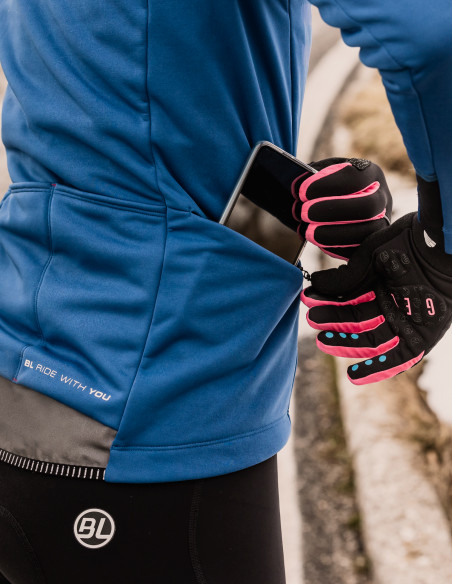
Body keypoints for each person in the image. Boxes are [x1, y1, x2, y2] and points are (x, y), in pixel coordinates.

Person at [0, 1, 450, 582]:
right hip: (160, 411)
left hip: (30, 363)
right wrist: (440, 250)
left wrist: (275, 184)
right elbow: (430, 36)